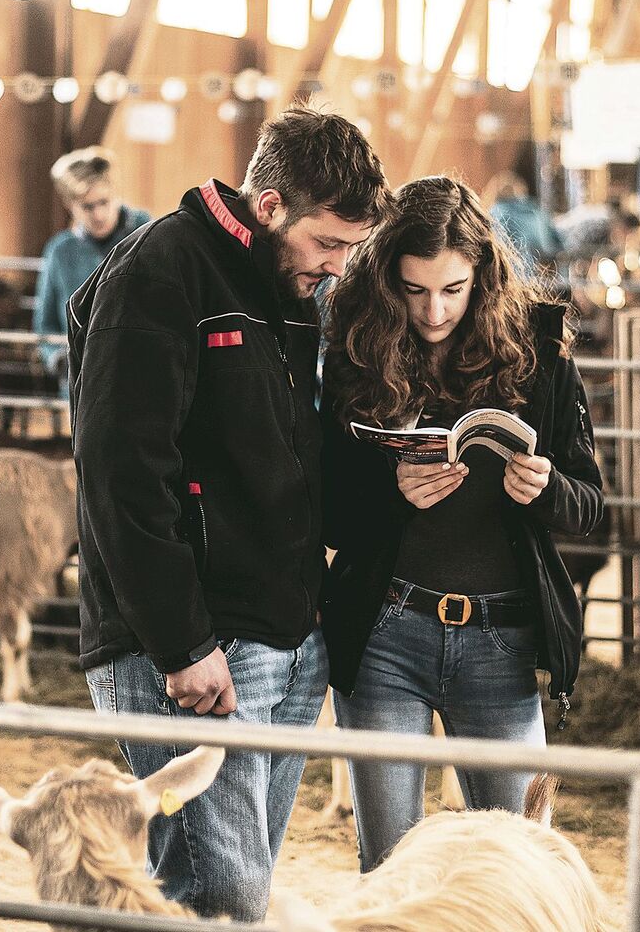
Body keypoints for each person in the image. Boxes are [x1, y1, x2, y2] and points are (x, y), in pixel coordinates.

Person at [68, 107, 392, 920]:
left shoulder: (287, 289)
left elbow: (281, 455)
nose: (338, 265)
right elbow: (122, 472)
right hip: (195, 646)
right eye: (328, 243)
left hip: (281, 634)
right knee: (217, 897)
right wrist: (181, 642)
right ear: (271, 206)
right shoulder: (161, 270)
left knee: (236, 890)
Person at [319, 176, 603, 873]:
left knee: (521, 865)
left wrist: (546, 488)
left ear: (483, 274)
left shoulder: (538, 352)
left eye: (453, 288)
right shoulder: (359, 350)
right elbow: (322, 505)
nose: (434, 311)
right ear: (388, 280)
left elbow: (591, 504)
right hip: (386, 634)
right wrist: (392, 494)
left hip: (500, 642)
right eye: (414, 290)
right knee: (391, 869)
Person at [33, 146, 150, 391]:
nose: (98, 214)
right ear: (70, 205)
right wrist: (59, 359)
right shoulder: (60, 252)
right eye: (87, 206)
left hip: (138, 374)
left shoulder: (146, 234)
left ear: (115, 194)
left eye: (104, 202)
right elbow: (45, 324)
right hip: (82, 384)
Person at [483, 171, 564, 272]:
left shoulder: (496, 211)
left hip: (510, 270)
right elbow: (554, 243)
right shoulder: (535, 209)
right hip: (543, 268)